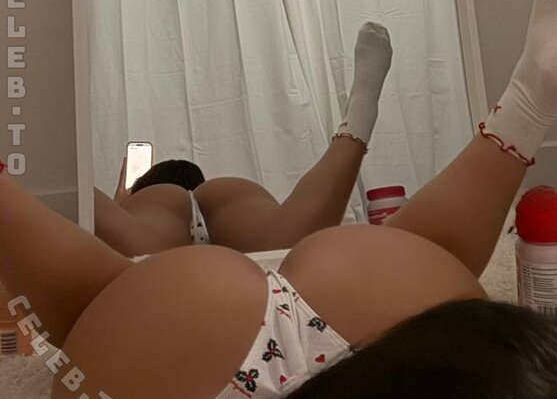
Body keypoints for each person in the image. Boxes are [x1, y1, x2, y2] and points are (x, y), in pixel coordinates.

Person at [1, 0, 557, 399]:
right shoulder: (217, 192)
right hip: (300, 312)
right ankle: (383, 118)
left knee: (117, 274)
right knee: (277, 230)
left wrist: (130, 194)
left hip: (201, 313)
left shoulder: (163, 192)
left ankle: (526, 105)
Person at [93, 21, 393, 259]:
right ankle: (358, 117)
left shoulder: (154, 202)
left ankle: (82, 188)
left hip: (154, 219)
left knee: (141, 257)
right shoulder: (221, 198)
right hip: (231, 213)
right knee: (281, 246)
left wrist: (121, 209)